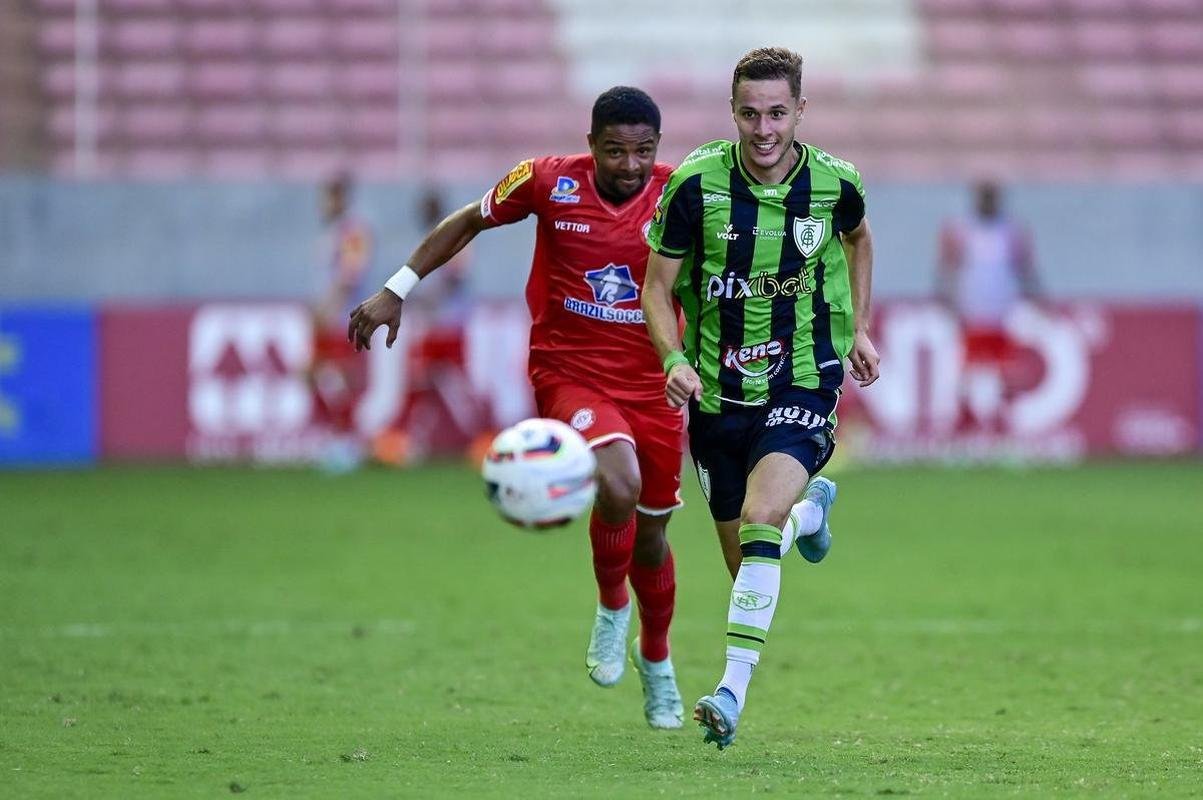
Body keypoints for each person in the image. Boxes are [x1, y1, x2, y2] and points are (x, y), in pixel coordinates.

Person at [347, 87, 686, 729]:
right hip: (571, 374)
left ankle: (658, 658)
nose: (630, 165)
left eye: (643, 151)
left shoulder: (683, 193)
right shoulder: (546, 181)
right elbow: (468, 220)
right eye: (615, 150)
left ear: (657, 148)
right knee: (618, 481)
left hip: (655, 383)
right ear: (591, 145)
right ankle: (612, 608)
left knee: (651, 537)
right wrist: (397, 288)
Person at [641, 47, 881, 749]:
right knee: (749, 559)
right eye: (749, 114)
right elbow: (656, 287)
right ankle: (811, 515)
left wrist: (858, 327)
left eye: (777, 113)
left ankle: (730, 691)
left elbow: (858, 238)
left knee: (759, 515)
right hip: (717, 395)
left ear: (800, 110)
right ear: (732, 112)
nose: (763, 129)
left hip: (804, 376)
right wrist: (672, 357)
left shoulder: (835, 184)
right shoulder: (694, 186)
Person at [936, 180, 1040, 430]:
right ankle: (964, 422)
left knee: (1005, 371)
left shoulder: (1011, 230)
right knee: (968, 372)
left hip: (1002, 313)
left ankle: (1005, 423)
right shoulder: (961, 229)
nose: (987, 202)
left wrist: (1037, 299)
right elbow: (947, 268)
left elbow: (1025, 269)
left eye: (991, 197)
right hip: (971, 312)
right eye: (984, 196)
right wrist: (947, 301)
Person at [311, 173, 373, 472]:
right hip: (331, 319)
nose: (323, 204)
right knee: (320, 378)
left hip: (344, 319)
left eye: (327, 198)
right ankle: (340, 438)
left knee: (338, 380)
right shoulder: (335, 231)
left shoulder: (352, 232)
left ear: (338, 198)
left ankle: (347, 443)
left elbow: (350, 276)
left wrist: (326, 308)